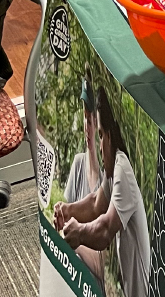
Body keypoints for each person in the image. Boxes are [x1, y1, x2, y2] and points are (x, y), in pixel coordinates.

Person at [55, 88, 150, 297]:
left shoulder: (122, 170)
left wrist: (79, 233)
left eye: (100, 135)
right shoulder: (113, 170)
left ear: (109, 134)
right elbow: (95, 204)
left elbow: (105, 229)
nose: (99, 145)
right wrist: (67, 209)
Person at [64, 73, 105, 287]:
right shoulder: (78, 164)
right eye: (84, 119)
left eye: (91, 121)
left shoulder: (109, 182)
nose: (86, 128)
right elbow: (61, 224)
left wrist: (76, 239)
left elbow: (105, 266)